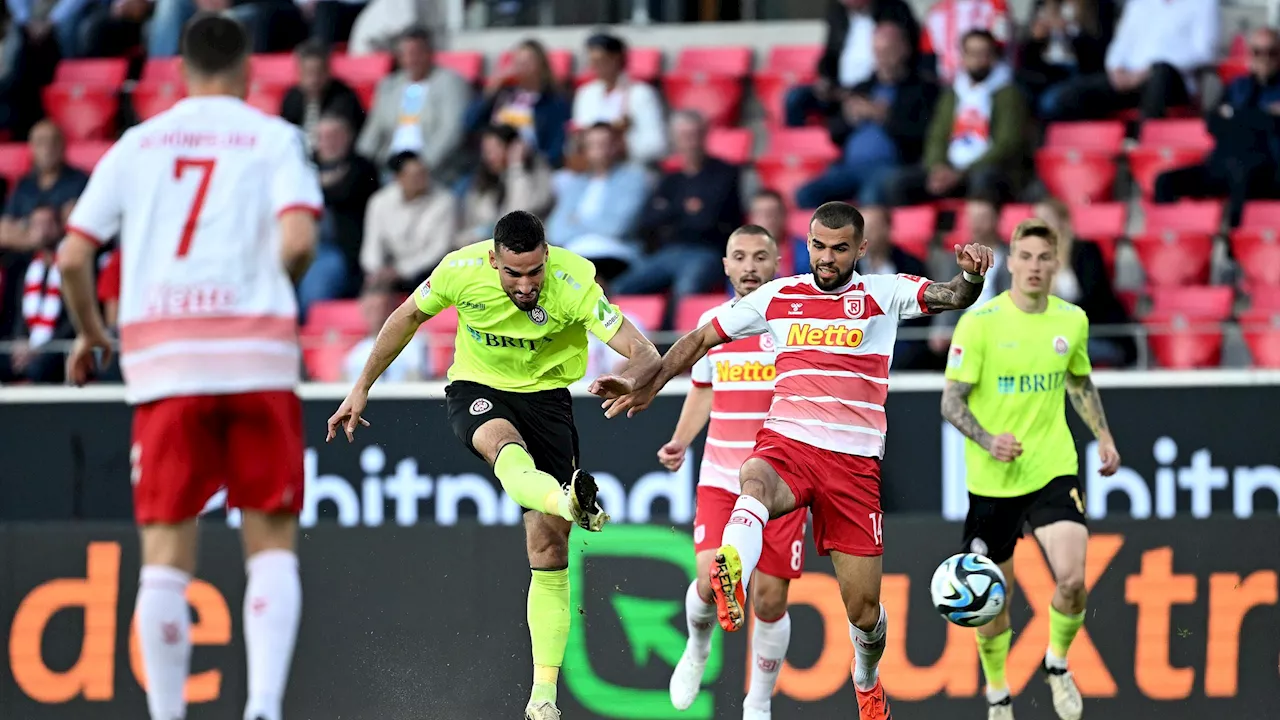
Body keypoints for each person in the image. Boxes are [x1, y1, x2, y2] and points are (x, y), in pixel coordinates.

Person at [596, 201, 994, 720]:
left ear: (861, 249)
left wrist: (970, 273)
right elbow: (699, 338)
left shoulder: (883, 293)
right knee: (754, 477)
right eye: (819, 247)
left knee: (864, 612)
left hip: (852, 467)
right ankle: (731, 570)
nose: (827, 258)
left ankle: (866, 676)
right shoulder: (779, 296)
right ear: (806, 244)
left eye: (840, 248)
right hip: (788, 443)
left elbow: (953, 296)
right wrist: (646, 382)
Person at [56, 14, 321, 720]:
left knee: (166, 550)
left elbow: (73, 256)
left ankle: (168, 716)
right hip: (257, 360)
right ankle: (263, 707)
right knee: (269, 538)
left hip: (165, 365)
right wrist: (268, 280)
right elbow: (298, 240)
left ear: (178, 70)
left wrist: (91, 334)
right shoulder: (273, 138)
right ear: (248, 71)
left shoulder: (137, 145)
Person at [325, 210, 662, 720]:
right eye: (513, 274)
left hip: (549, 400)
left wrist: (630, 376)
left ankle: (542, 700)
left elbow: (644, 350)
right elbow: (406, 317)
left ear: (546, 257)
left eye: (534, 272)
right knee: (503, 446)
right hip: (477, 390)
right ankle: (565, 499)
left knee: (548, 548)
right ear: (493, 260)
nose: (526, 286)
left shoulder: (574, 282)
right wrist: (361, 387)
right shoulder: (460, 270)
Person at [939, 218, 1121, 720]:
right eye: (1026, 256)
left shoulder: (1072, 321)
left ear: (1055, 263)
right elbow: (950, 403)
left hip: (1051, 467)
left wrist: (1103, 436)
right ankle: (998, 693)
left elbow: (1080, 382)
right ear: (1010, 261)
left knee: (1071, 580)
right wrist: (987, 439)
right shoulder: (980, 322)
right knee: (993, 600)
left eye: (1044, 257)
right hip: (992, 480)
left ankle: (1057, 663)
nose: (1034, 267)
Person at [659, 224, 803, 719]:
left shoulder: (796, 323)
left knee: (768, 600)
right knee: (709, 582)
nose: (749, 266)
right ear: (725, 265)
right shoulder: (714, 323)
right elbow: (703, 389)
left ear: (776, 262)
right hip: (722, 477)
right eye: (739, 257)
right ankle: (697, 649)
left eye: (760, 257)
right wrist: (680, 439)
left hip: (783, 484)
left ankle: (758, 700)